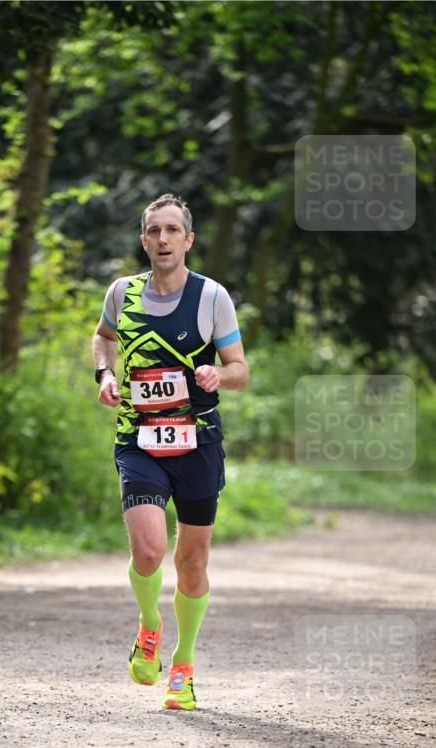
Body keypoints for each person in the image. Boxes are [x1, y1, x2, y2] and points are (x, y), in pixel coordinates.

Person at [92, 193, 249, 710]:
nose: (162, 240)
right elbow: (103, 338)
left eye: (172, 231)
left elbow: (240, 369)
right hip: (138, 439)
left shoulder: (211, 298)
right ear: (143, 240)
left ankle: (183, 666)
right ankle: (149, 624)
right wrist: (105, 373)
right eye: (153, 231)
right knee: (148, 551)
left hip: (197, 441)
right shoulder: (122, 292)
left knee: (192, 563)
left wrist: (216, 373)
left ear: (188, 239)